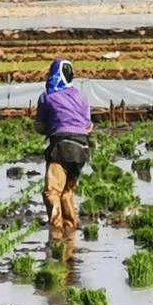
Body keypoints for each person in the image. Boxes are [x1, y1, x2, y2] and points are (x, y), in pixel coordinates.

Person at [34, 59, 92, 234]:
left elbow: (40, 126)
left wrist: (46, 129)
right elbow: (89, 125)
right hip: (82, 150)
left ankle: (57, 232)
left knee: (51, 192)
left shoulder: (47, 96)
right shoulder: (81, 96)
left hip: (61, 147)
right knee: (67, 191)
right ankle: (71, 230)